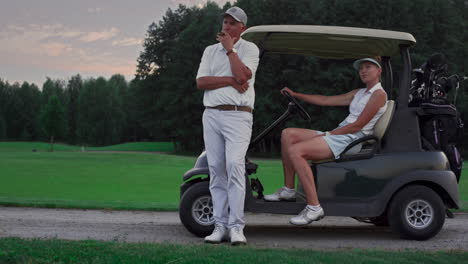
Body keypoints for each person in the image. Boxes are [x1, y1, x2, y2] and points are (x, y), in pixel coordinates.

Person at [263, 58, 388, 225]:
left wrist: (329, 134)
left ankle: (314, 207)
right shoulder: (359, 93)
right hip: (342, 134)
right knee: (288, 134)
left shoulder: (379, 95)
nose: (363, 71)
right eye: (361, 69)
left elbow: (357, 126)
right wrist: (296, 95)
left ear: (379, 71)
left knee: (296, 151)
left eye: (368, 67)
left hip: (353, 138)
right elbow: (326, 100)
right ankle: (288, 190)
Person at [196, 6, 259, 245]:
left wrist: (230, 51)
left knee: (234, 166)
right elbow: (202, 82)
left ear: (241, 28)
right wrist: (231, 81)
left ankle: (236, 227)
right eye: (225, 22)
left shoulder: (250, 49)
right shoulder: (210, 51)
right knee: (216, 170)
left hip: (238, 116)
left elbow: (244, 77)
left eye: (232, 23)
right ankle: (219, 225)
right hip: (211, 115)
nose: (227, 26)